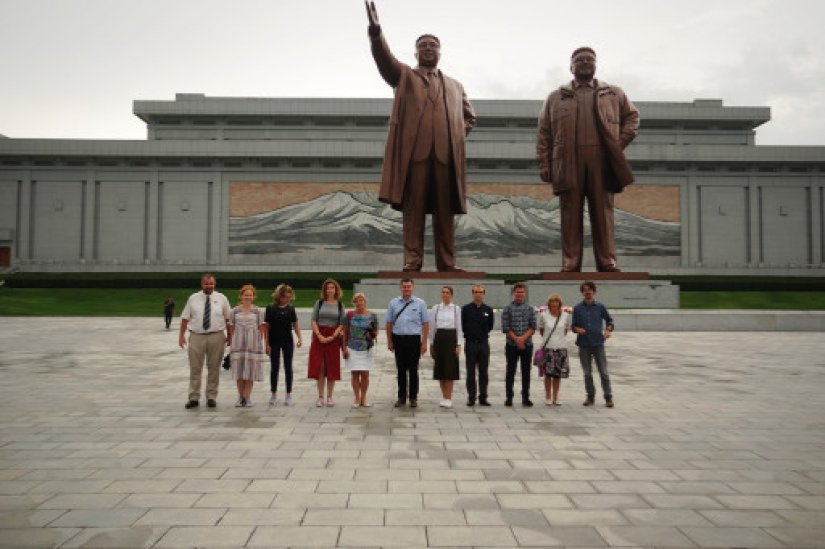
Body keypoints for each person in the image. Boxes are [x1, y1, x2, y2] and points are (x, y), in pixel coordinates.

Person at [365, 1, 476, 272]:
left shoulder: (455, 86)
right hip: (415, 156)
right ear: (415, 52)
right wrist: (376, 32)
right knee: (413, 213)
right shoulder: (404, 76)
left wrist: (455, 134)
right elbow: (384, 59)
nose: (428, 49)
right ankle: (412, 261)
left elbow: (469, 117)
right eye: (423, 45)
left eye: (433, 45)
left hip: (444, 158)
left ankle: (447, 263)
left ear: (440, 52)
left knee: (444, 214)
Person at [537, 47, 640, 272]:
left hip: (601, 162)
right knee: (570, 214)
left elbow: (632, 118)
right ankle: (571, 261)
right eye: (579, 60)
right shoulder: (555, 97)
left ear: (596, 65)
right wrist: (545, 163)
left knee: (603, 213)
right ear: (571, 66)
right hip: (568, 161)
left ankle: (607, 261)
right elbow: (544, 133)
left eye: (589, 60)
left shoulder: (613, 93)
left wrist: (617, 144)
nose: (585, 63)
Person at [178, 273, 232, 409]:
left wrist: (230, 335)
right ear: (202, 284)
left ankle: (211, 396)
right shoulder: (193, 298)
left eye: (211, 283)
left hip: (217, 336)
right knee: (195, 368)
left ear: (215, 284)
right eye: (206, 284)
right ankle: (194, 397)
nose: (209, 286)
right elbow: (185, 318)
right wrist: (181, 335)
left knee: (214, 368)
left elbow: (228, 318)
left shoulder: (221, 298)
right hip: (197, 336)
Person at [572, 280, 615, 407]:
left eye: (590, 290)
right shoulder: (578, 308)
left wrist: (608, 330)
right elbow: (573, 326)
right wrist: (577, 329)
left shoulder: (600, 307)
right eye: (585, 290)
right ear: (582, 292)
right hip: (583, 344)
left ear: (594, 291)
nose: (587, 292)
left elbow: (610, 321)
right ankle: (590, 396)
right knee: (587, 372)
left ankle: (608, 397)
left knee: (603, 372)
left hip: (598, 343)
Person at [386, 278, 428, 408]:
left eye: (409, 286)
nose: (406, 289)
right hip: (398, 339)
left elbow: (425, 324)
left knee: (413, 369)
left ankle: (413, 397)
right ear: (400, 288)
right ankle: (401, 397)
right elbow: (389, 323)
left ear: (413, 288)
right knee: (401, 369)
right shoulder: (393, 303)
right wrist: (389, 341)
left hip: (414, 339)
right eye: (404, 286)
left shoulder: (420, 303)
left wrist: (424, 342)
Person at [229, 284, 267, 407]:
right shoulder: (234, 311)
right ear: (241, 296)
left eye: (250, 295)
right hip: (238, 344)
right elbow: (231, 328)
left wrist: (261, 344)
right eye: (245, 295)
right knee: (239, 371)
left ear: (253, 296)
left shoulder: (258, 311)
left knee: (250, 371)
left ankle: (247, 397)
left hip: (252, 345)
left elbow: (261, 328)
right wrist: (231, 341)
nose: (248, 297)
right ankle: (240, 397)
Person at [308, 279, 345, 407]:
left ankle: (330, 396)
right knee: (320, 366)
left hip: (333, 338)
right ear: (324, 290)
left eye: (332, 288)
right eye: (328, 288)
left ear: (336, 290)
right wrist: (319, 335)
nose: (330, 290)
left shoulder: (340, 305)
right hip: (319, 336)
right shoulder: (319, 303)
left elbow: (342, 323)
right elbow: (313, 320)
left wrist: (333, 336)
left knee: (332, 367)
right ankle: (320, 396)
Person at [265, 284, 302, 406]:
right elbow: (267, 327)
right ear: (279, 296)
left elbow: (295, 324)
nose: (287, 299)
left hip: (287, 341)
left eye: (289, 297)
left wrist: (300, 337)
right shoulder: (270, 308)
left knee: (288, 367)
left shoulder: (291, 309)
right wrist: (266, 344)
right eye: (285, 297)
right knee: (274, 367)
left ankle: (288, 394)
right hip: (273, 341)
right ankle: (273, 394)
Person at [501, 282, 536, 407]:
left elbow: (533, 327)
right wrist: (517, 339)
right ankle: (509, 397)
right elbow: (505, 328)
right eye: (517, 292)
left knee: (526, 371)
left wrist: (523, 339)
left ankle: (525, 397)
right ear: (513, 293)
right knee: (510, 370)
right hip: (511, 345)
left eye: (522, 292)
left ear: (524, 293)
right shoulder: (507, 308)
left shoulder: (530, 309)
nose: (519, 294)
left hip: (527, 345)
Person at [342, 293, 379, 408]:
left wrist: (372, 335)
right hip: (352, 347)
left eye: (361, 300)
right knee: (354, 373)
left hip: (367, 348)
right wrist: (343, 348)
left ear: (365, 302)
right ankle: (357, 397)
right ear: (354, 303)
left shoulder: (372, 315)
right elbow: (345, 332)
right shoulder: (349, 315)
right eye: (356, 301)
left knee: (365, 374)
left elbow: (376, 331)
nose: (359, 303)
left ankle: (364, 397)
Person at [428, 286, 462, 408]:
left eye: (447, 293)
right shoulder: (436, 308)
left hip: (451, 338)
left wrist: (459, 344)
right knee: (440, 369)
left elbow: (459, 328)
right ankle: (444, 396)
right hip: (439, 339)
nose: (445, 294)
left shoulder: (456, 309)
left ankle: (449, 397)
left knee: (450, 369)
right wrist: (431, 344)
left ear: (451, 295)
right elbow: (432, 328)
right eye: (443, 292)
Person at [461, 284, 494, 407]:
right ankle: (471, 397)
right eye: (475, 292)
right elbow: (463, 326)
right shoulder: (466, 309)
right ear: (472, 294)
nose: (477, 294)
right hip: (470, 344)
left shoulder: (488, 310)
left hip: (484, 344)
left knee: (483, 372)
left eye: (480, 292)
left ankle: (483, 397)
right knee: (470, 372)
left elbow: (490, 326)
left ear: (483, 294)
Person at [537, 293, 572, 406]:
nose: (554, 304)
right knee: (548, 374)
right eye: (552, 302)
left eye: (556, 302)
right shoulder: (543, 315)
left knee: (557, 374)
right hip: (548, 348)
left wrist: (558, 339)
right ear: (549, 304)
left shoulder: (565, 316)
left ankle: (556, 397)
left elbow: (565, 331)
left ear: (559, 304)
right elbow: (542, 331)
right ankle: (548, 396)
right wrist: (550, 339)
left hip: (561, 347)